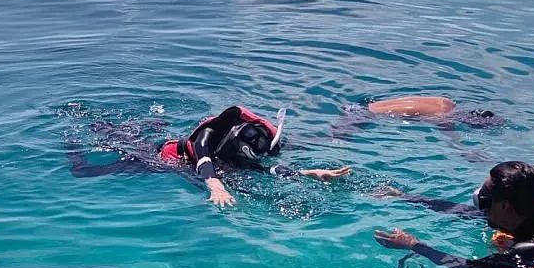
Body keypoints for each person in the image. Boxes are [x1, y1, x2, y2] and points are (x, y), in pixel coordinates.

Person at [66, 105, 351, 207]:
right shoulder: (209, 137)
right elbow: (201, 153)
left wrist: (308, 173)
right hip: (160, 161)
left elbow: (262, 171)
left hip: (190, 166)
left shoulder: (236, 155)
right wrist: (213, 183)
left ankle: (119, 128)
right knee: (85, 171)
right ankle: (78, 135)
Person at [374, 162, 534, 268]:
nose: (480, 205)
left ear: (504, 206)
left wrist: (413, 245)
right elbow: (461, 211)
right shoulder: (527, 215)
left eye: (485, 200)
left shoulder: (533, 246)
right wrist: (403, 197)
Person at [333, 95, 504, 137]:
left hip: (361, 106)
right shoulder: (444, 119)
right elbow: (454, 143)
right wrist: (469, 153)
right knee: (331, 142)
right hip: (364, 115)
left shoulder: (446, 102)